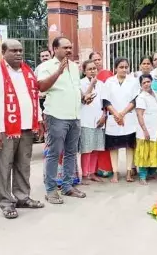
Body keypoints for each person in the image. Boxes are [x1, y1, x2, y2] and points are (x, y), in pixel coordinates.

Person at [0, 39, 45, 219]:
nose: (18, 54)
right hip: (3, 129)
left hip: (26, 127)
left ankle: (22, 197)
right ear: (4, 52)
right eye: (13, 51)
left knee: (23, 165)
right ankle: (6, 202)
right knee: (4, 166)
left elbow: (34, 97)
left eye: (20, 51)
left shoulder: (27, 71)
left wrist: (39, 119)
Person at [38, 37, 90, 204]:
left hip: (74, 116)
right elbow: (42, 87)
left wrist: (84, 97)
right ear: (55, 49)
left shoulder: (74, 67)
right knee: (54, 153)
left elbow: (74, 87)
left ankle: (67, 186)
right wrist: (58, 71)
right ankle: (51, 190)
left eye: (70, 47)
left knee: (71, 152)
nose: (69, 50)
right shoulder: (45, 67)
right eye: (65, 47)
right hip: (56, 116)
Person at [103, 58, 139, 183]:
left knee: (130, 146)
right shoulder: (109, 81)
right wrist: (116, 114)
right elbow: (106, 100)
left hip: (128, 117)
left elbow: (135, 99)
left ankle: (129, 172)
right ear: (116, 68)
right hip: (114, 117)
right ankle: (115, 173)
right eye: (121, 67)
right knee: (114, 147)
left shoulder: (134, 81)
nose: (124, 69)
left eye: (126, 67)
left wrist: (122, 113)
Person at [79, 60, 106, 185]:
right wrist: (91, 84)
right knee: (87, 149)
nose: (92, 71)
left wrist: (104, 116)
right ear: (84, 71)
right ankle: (85, 174)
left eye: (94, 68)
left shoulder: (101, 84)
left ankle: (92, 172)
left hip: (99, 120)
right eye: (89, 69)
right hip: (86, 120)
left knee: (96, 148)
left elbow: (104, 102)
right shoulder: (81, 83)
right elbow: (84, 99)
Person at [135, 74, 157, 185]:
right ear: (141, 86)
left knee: (154, 151)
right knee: (144, 153)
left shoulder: (155, 94)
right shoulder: (141, 97)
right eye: (144, 83)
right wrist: (145, 130)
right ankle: (142, 176)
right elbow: (139, 115)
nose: (146, 84)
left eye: (148, 81)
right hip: (145, 129)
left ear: (151, 82)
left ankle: (151, 173)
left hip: (156, 128)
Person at [90, 51, 115, 178]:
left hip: (105, 112)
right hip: (90, 114)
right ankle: (92, 169)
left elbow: (110, 95)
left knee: (104, 142)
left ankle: (106, 168)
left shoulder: (107, 74)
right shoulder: (87, 79)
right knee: (92, 143)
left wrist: (106, 114)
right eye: (94, 60)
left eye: (99, 59)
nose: (97, 62)